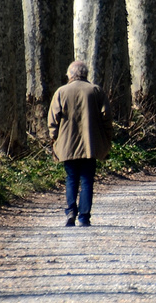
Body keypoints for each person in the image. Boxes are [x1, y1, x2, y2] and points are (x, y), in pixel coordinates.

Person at [47, 60, 112, 226]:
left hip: (66, 144)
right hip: (90, 144)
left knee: (71, 178)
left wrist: (53, 138)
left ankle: (70, 211)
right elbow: (107, 118)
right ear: (85, 74)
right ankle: (84, 217)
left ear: (70, 74)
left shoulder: (61, 92)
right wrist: (106, 138)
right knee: (87, 179)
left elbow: (53, 119)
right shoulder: (96, 91)